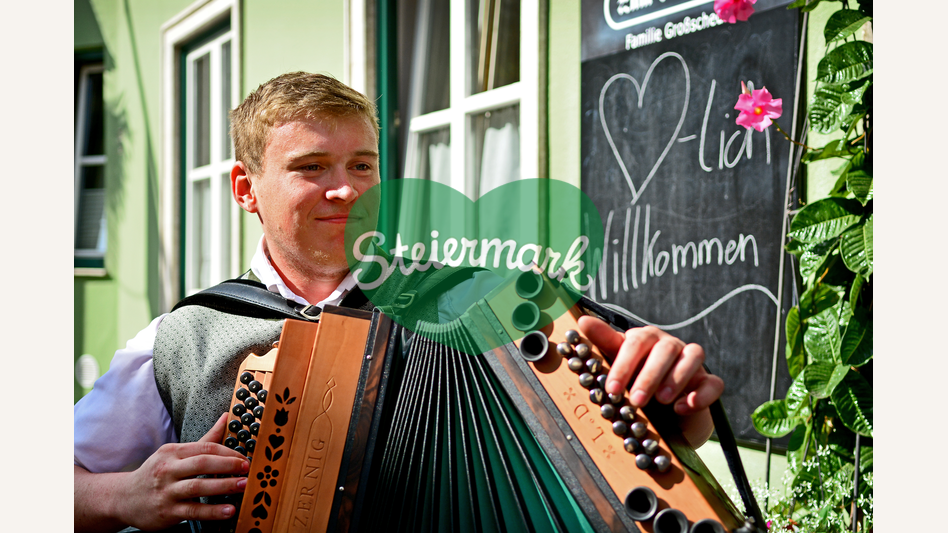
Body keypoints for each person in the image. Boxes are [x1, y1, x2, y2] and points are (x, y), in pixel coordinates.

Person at [74, 72, 724, 532]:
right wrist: (125, 494)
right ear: (246, 189)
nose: (346, 190)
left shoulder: (468, 302)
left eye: (362, 165)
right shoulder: (182, 335)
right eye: (311, 168)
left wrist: (669, 396)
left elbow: (663, 429)